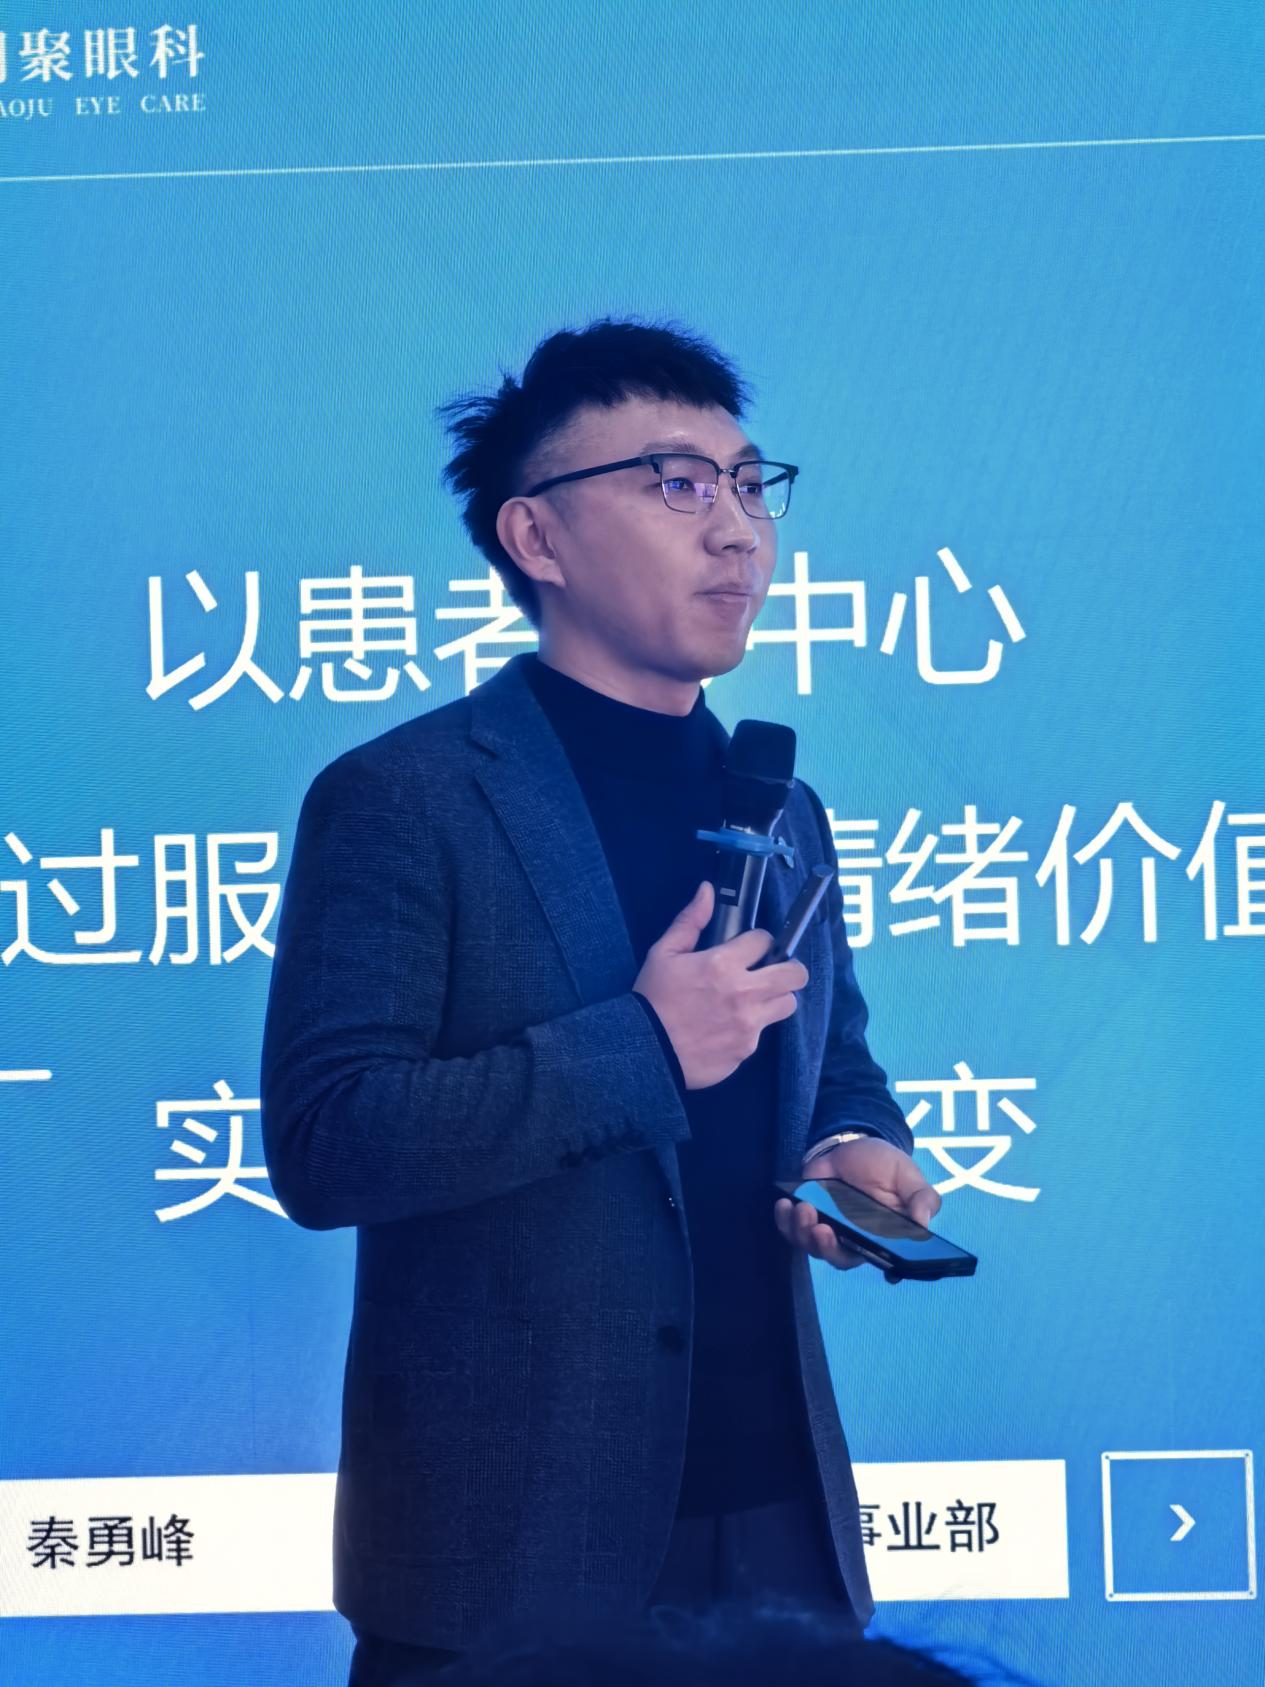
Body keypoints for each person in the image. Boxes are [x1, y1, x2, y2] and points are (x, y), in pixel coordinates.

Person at [259, 316, 941, 1684]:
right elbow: (329, 1142)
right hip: (508, 1561)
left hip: (781, 1533)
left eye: (750, 484)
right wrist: (642, 1046)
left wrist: (853, 1145)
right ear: (538, 537)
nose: (738, 531)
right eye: (676, 483)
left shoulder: (782, 805)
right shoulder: (406, 798)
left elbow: (836, 1061)